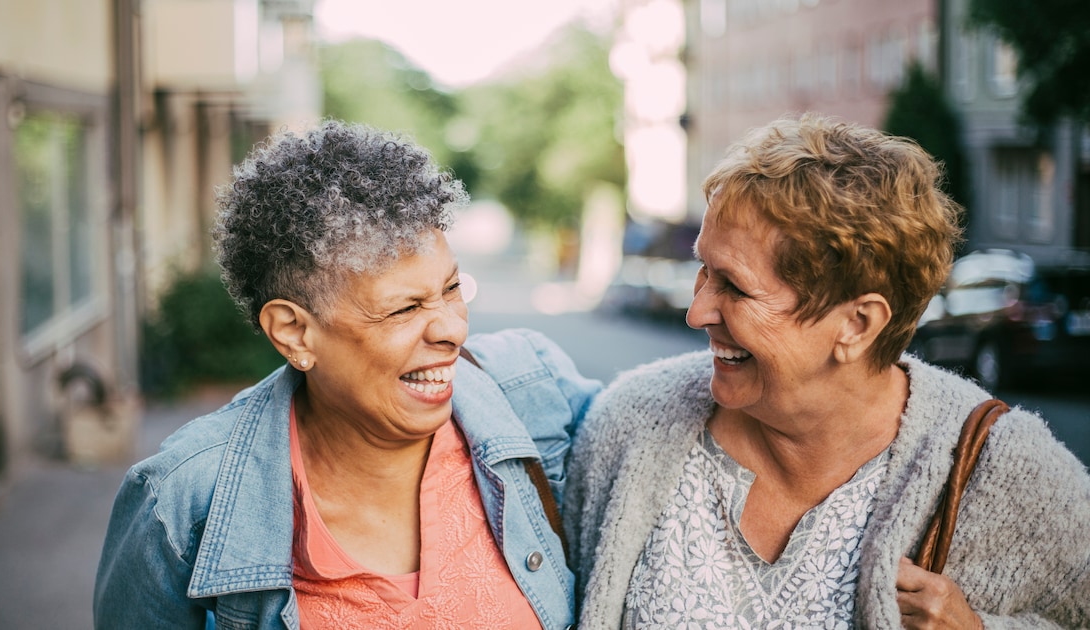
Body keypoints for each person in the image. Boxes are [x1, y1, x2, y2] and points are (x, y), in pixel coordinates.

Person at [564, 113, 1090, 629]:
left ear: (858, 324)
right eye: (704, 271)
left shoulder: (1002, 467)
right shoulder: (632, 426)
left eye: (735, 287)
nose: (696, 311)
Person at [94, 120, 600, 629]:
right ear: (294, 333)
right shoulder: (181, 501)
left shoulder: (533, 385)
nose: (453, 330)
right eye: (404, 309)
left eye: (450, 289)